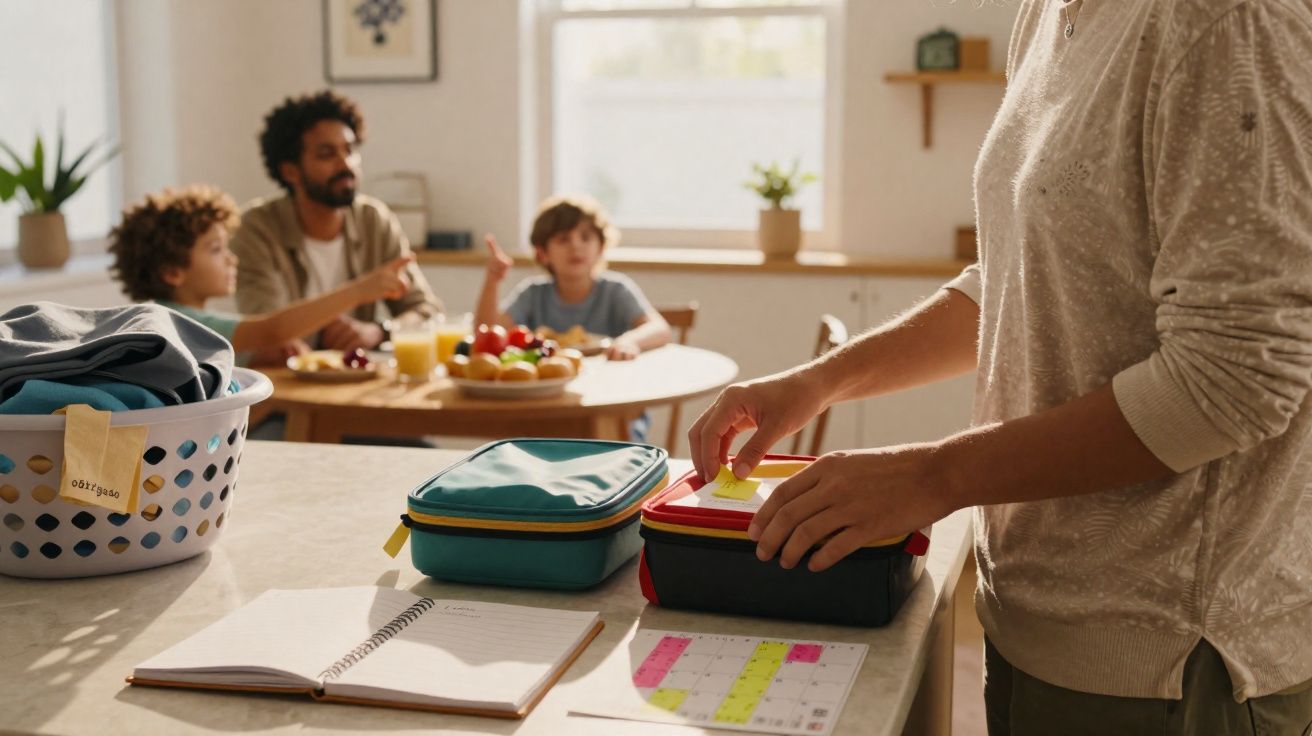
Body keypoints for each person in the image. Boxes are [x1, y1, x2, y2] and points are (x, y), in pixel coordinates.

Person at [688, 1, 1312, 733]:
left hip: (1172, 658)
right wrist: (822, 379)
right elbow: (1018, 275)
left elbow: (1235, 378)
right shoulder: (1049, 13)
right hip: (1032, 614)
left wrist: (931, 476)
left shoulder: (1228, 20)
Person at [229, 89, 440, 361]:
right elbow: (269, 331)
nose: (346, 163)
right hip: (286, 389)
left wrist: (378, 331)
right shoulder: (256, 229)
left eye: (350, 150)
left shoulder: (374, 220)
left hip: (358, 383)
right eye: (326, 154)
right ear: (290, 171)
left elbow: (427, 311)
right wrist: (358, 293)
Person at [107, 185, 413, 355]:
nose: (232, 259)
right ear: (172, 272)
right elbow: (272, 330)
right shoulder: (180, 324)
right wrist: (360, 290)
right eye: (216, 250)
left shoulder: (173, 319)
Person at [476, 194, 670, 361]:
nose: (576, 246)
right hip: (551, 397)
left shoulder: (616, 290)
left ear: (601, 248)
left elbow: (659, 328)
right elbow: (487, 335)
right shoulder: (532, 294)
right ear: (543, 252)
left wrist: (628, 342)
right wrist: (492, 282)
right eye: (563, 239)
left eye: (586, 237)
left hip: (611, 394)